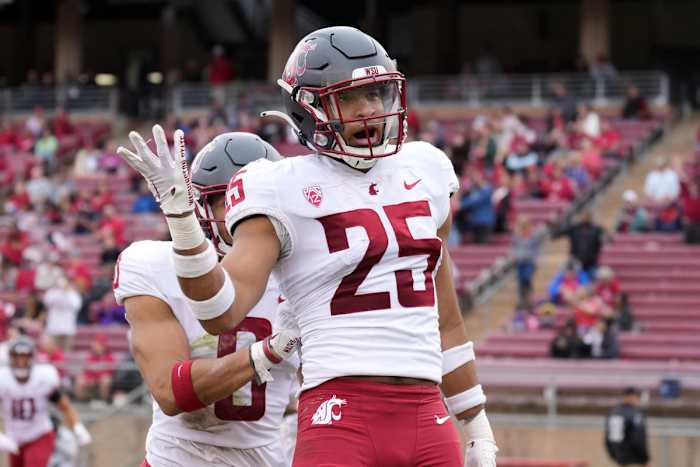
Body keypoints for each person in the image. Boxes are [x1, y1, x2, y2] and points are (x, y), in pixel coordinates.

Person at [117, 26, 498, 467]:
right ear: (310, 108)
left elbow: (444, 319)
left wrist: (475, 423)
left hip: (426, 410)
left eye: (378, 94)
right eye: (353, 97)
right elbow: (219, 310)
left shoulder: (426, 168)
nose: (372, 110)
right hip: (340, 410)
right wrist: (183, 224)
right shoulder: (281, 185)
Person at [114, 132, 300, 467]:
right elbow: (171, 393)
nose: (250, 216)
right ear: (201, 206)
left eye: (263, 205)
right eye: (233, 202)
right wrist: (271, 349)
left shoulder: (303, 274)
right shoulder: (152, 265)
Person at [0, 336, 92, 467]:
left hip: (38, 435)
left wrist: (77, 426)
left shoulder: (43, 378)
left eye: (24, 356)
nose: (21, 361)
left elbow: (64, 406)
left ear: (32, 357)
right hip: (14, 438)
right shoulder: (3, 379)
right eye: (17, 356)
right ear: (10, 357)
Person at [605, 387, 650, 466]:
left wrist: (615, 456)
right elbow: (638, 439)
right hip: (635, 459)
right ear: (632, 397)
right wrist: (644, 458)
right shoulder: (635, 414)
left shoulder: (613, 413)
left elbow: (608, 439)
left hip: (620, 458)